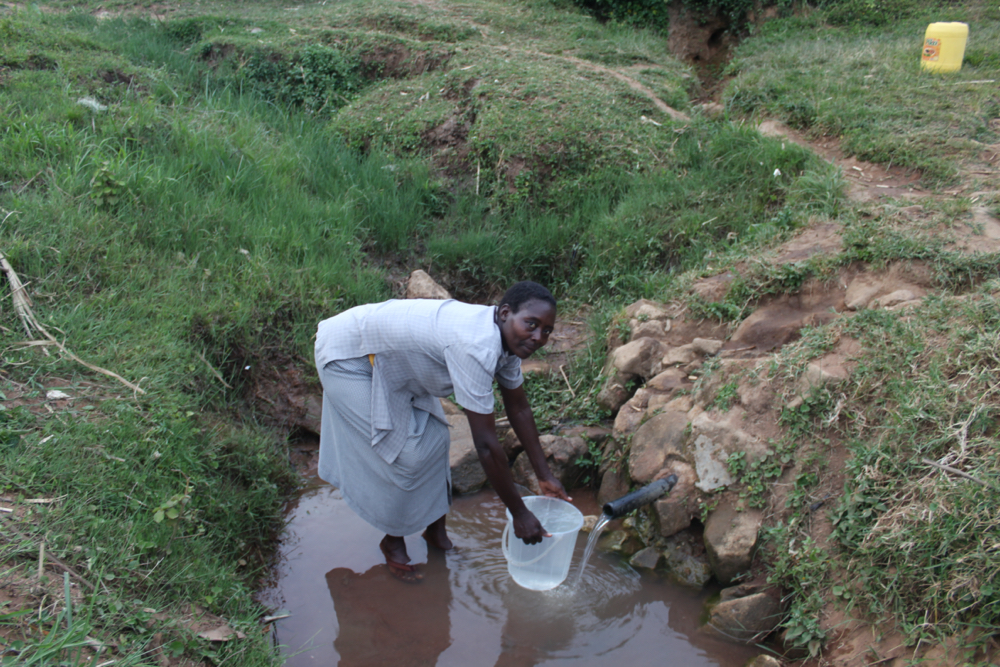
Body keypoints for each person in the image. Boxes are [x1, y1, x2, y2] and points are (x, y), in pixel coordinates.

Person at [314, 281, 570, 582]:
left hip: (397, 363)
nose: (538, 337)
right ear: (504, 313)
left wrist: (544, 475)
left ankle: (434, 531)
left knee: (436, 437)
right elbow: (486, 446)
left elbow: (519, 409)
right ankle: (392, 540)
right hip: (349, 356)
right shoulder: (475, 346)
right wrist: (520, 513)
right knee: (404, 456)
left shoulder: (510, 342)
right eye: (532, 324)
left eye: (547, 331)